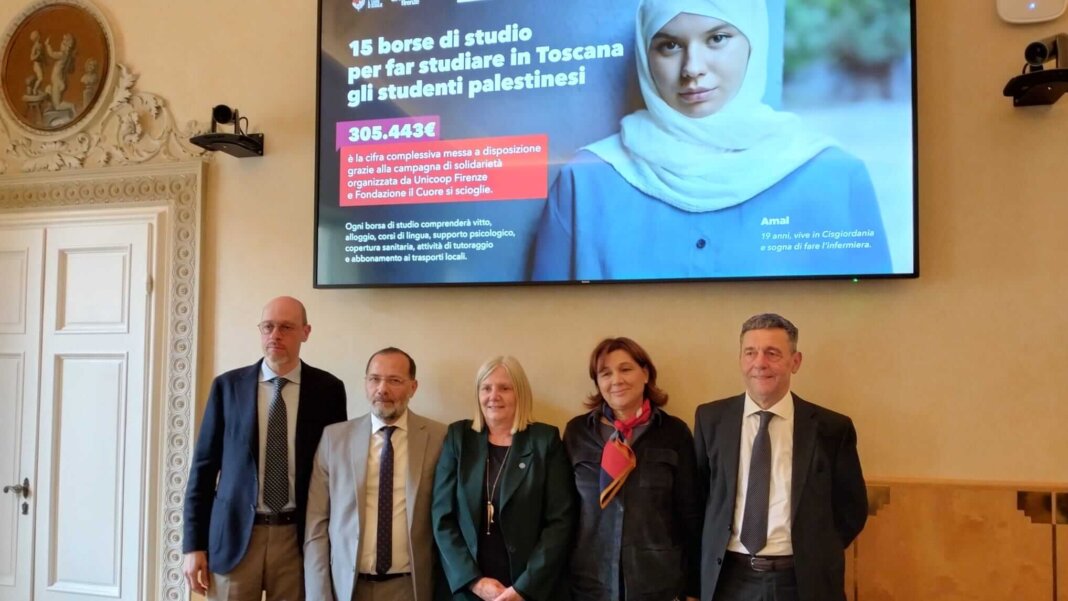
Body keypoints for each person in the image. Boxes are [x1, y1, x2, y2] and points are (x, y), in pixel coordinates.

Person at [531, 0, 891, 281]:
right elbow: (543, 326)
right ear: (645, 54)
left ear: (753, 41)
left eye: (717, 38)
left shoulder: (834, 175)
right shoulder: (586, 180)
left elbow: (876, 327)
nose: (692, 68)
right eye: (670, 45)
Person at [182, 296, 348, 601]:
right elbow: (203, 471)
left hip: (297, 539)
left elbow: (337, 475)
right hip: (234, 538)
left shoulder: (329, 390)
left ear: (305, 332)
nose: (275, 335)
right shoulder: (227, 387)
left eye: (286, 327)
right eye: (268, 327)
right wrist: (193, 546)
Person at [693, 313, 867, 601]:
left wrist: (816, 550)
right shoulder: (710, 419)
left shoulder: (831, 428)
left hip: (802, 581)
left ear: (795, 362)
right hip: (729, 580)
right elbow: (697, 500)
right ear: (740, 359)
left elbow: (852, 509)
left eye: (772, 353)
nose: (760, 363)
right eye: (751, 352)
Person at [563, 337, 702, 601]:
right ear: (598, 383)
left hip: (659, 584)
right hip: (590, 584)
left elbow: (691, 515)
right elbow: (565, 515)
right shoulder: (577, 433)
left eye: (625, 369)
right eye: (605, 373)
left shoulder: (674, 433)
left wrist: (693, 589)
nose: (616, 380)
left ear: (645, 373)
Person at [304, 347, 447, 601]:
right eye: (374, 379)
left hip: (411, 588)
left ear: (413, 387)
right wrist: (318, 595)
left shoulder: (439, 439)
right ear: (365, 384)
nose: (382, 389)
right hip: (348, 588)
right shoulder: (334, 439)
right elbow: (316, 526)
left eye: (394, 380)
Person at [432, 356, 575, 601]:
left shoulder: (545, 440)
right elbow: (442, 518)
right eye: (486, 388)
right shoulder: (459, 438)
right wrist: (474, 582)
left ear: (520, 393)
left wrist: (523, 588)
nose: (493, 395)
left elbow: (560, 521)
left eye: (505, 388)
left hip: (530, 588)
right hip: (468, 589)